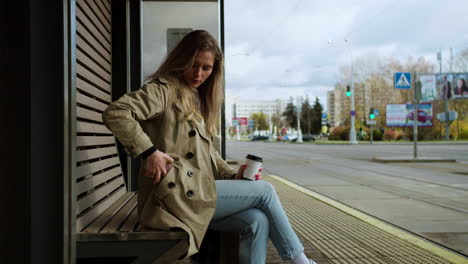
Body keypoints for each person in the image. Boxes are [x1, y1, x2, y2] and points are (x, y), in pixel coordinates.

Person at [103, 30, 317, 264]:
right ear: (181, 60)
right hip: (170, 198)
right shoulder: (163, 89)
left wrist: (232, 175)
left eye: (207, 68)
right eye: (194, 65)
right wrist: (149, 152)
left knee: (256, 220)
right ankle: (301, 261)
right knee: (265, 192)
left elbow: (208, 154)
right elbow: (117, 112)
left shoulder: (192, 97)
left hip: (190, 193)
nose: (199, 74)